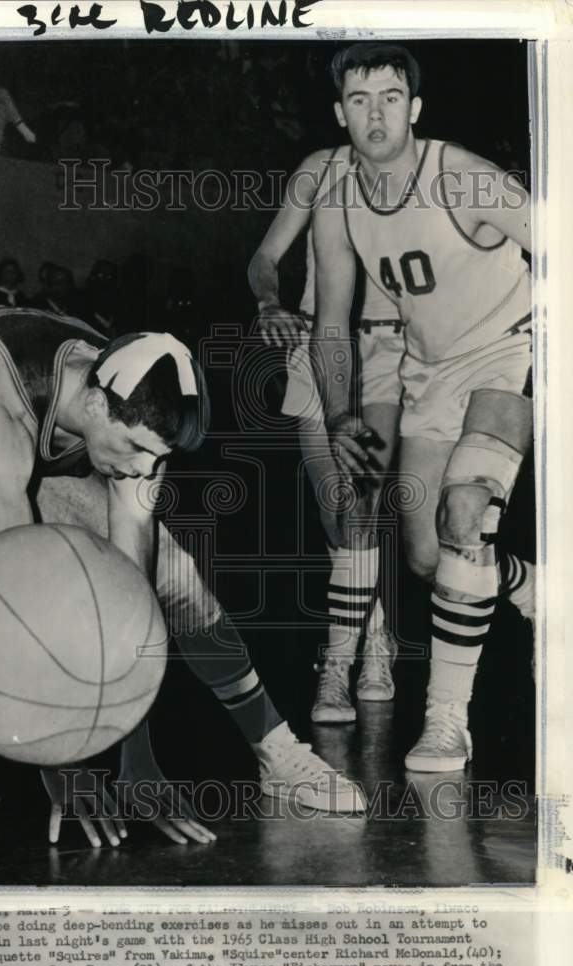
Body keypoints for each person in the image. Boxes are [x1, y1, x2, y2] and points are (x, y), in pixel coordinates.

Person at [0, 306, 367, 837]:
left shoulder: (133, 411)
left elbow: (130, 598)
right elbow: (18, 587)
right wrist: (59, 760)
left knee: (173, 570)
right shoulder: (4, 385)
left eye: (158, 458)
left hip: (21, 459)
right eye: (137, 449)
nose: (144, 470)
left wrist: (135, 761)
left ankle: (276, 748)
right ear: (96, 405)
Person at [311, 42, 534, 770]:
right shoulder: (339, 199)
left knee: (466, 509)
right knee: (428, 557)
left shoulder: (460, 176)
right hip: (428, 371)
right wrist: (342, 413)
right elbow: (331, 323)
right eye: (359, 100)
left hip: (509, 350)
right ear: (339, 112)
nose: (375, 114)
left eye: (389, 97)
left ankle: (446, 724)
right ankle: (529, 587)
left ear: (415, 107)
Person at [249, 142, 403, 724]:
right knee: (334, 510)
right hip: (316, 343)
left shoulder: (425, 172)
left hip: (388, 346)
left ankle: (342, 664)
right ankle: (377, 630)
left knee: (361, 506)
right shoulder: (320, 168)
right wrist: (269, 301)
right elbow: (264, 256)